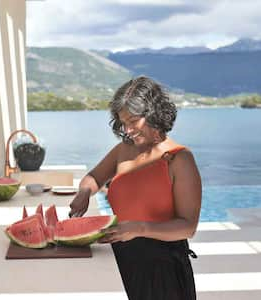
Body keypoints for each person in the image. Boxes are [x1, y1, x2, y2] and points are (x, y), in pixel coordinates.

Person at [69, 76, 202, 300]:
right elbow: (94, 176)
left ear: (153, 113)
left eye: (133, 121)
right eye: (123, 123)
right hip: (121, 259)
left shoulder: (180, 159)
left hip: (163, 271)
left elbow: (188, 227)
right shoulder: (123, 150)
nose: (127, 130)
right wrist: (84, 192)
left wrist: (140, 229)